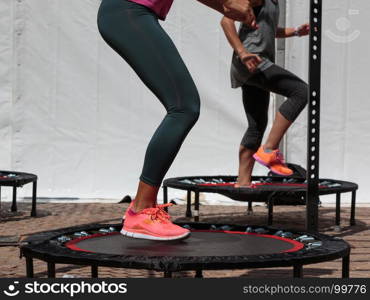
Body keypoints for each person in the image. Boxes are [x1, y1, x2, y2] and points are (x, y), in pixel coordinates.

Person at [97, 0, 256, 240]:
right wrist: (226, 4)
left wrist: (226, 6)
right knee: (183, 107)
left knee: (185, 107)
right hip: (128, 11)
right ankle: (141, 210)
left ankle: (141, 208)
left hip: (131, 13)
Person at [221, 0, 310, 188]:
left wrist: (295, 32)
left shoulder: (273, 3)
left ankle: (243, 182)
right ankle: (269, 149)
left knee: (256, 125)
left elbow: (269, 31)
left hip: (253, 63)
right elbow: (226, 21)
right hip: (252, 60)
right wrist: (242, 52)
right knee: (300, 91)